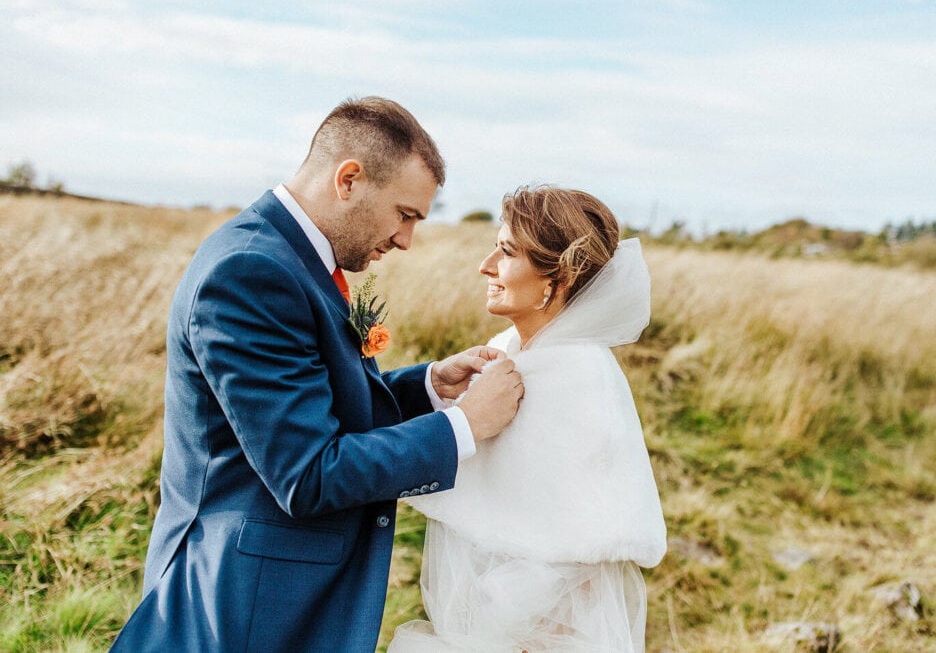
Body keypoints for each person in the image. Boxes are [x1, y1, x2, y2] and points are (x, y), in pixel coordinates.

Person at [111, 97, 524, 652]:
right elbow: (308, 474)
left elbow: (315, 401)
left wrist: (427, 387)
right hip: (239, 605)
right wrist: (464, 427)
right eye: (406, 214)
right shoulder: (250, 270)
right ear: (349, 179)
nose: (405, 239)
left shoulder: (293, 258)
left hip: (273, 593)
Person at [390, 186, 667, 652]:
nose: (486, 266)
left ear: (556, 278)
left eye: (507, 252)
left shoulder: (580, 377)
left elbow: (577, 557)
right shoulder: (503, 352)